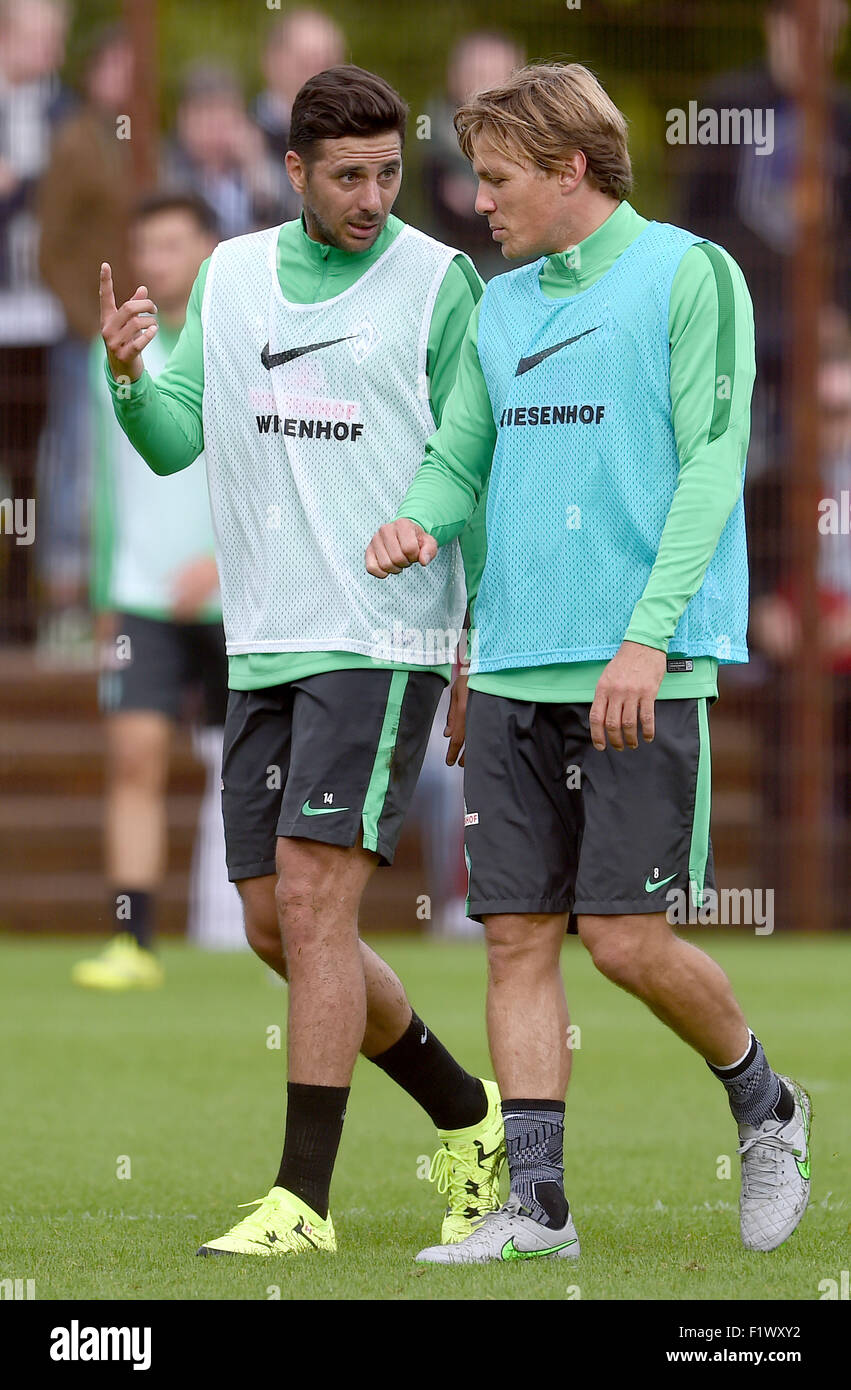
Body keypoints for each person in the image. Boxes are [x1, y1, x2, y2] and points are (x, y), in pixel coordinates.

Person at [367, 61, 812, 1264]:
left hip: (641, 667)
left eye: (498, 176)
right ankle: (538, 1208)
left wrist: (646, 635)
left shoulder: (689, 273)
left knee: (622, 941)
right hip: (511, 672)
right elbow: (458, 464)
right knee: (515, 939)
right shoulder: (500, 303)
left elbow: (713, 464)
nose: (477, 199)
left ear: (572, 168)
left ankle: (764, 1101)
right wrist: (420, 524)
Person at [98, 65, 502, 1258]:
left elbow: (468, 465)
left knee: (320, 907)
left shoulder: (440, 284)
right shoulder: (226, 280)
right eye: (346, 177)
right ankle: (467, 1114)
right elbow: (173, 440)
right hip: (264, 637)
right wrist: (130, 376)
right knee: (276, 924)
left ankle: (302, 1204)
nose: (374, 196)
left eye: (386, 172)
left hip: (385, 637)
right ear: (292, 174)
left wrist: (474, 646)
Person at [73, 191, 242, 990]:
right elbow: (107, 485)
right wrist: (107, 588)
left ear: (209, 248)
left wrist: (220, 560)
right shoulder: (109, 350)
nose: (158, 261)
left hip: (240, 592)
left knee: (251, 768)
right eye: (147, 246)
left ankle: (269, 934)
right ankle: (132, 942)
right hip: (140, 596)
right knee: (135, 758)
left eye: (174, 244)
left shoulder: (242, 339)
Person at [36, 22, 135, 640]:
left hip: (133, 333)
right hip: (85, 336)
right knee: (71, 462)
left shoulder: (134, 136)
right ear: (95, 72)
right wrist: (84, 323)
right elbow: (51, 247)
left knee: (117, 460)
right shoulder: (75, 140)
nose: (129, 81)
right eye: (119, 67)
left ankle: (110, 596)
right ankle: (63, 600)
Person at [0, 0, 71, 641]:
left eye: (59, 37)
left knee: (32, 468)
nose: (52, 48)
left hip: (40, 318)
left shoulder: (65, 113)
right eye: (40, 36)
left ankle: (21, 610)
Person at [162, 62, 287, 240]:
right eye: (206, 117)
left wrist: (256, 165)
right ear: (184, 120)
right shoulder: (166, 172)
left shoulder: (259, 167)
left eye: (226, 115)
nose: (217, 129)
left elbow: (287, 219)